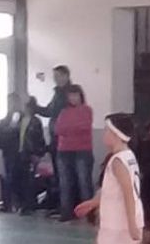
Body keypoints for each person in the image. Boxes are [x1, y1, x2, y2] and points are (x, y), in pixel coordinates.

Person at [63, 114, 143, 244]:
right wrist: (93, 203)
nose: (103, 134)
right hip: (125, 218)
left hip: (118, 221)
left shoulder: (118, 161)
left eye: (107, 131)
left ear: (115, 134)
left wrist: (132, 224)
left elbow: (127, 192)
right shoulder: (127, 156)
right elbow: (112, 190)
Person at [54, 84, 94, 222]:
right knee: (64, 183)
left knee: (84, 183)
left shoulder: (87, 110)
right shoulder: (63, 112)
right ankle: (66, 213)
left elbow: (84, 126)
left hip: (82, 151)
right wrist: (72, 129)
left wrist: (69, 129)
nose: (73, 98)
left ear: (80, 96)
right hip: (63, 151)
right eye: (70, 95)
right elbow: (58, 129)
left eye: (75, 95)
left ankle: (89, 214)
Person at [35, 65, 73, 203]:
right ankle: (59, 204)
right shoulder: (57, 94)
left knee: (65, 174)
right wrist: (35, 108)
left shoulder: (68, 94)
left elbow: (55, 112)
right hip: (55, 138)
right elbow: (49, 111)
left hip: (64, 139)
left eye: (58, 76)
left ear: (66, 76)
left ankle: (66, 205)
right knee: (58, 173)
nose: (55, 79)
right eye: (54, 77)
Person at [13, 97, 48, 216]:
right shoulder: (19, 119)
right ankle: (20, 203)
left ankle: (29, 205)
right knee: (18, 178)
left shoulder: (35, 121)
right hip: (19, 153)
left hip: (30, 153)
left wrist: (38, 153)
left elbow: (39, 139)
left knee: (29, 180)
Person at [0, 93, 21, 212]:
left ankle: (17, 203)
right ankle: (7, 203)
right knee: (6, 177)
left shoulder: (22, 118)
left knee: (16, 178)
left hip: (19, 152)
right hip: (7, 152)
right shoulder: (4, 121)